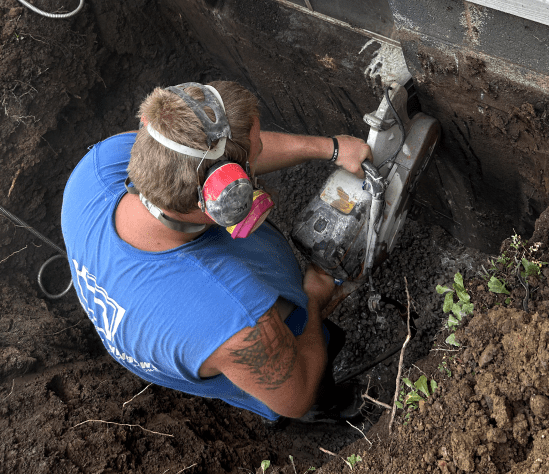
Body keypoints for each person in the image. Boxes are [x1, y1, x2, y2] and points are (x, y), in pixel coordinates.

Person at [61, 80, 372, 422]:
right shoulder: (238, 316)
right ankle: (328, 407)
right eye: (257, 152)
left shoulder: (100, 167)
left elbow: (213, 157)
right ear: (228, 197)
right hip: (264, 362)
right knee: (309, 387)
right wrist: (313, 298)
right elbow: (295, 397)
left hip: (192, 319)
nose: (260, 153)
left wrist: (330, 148)